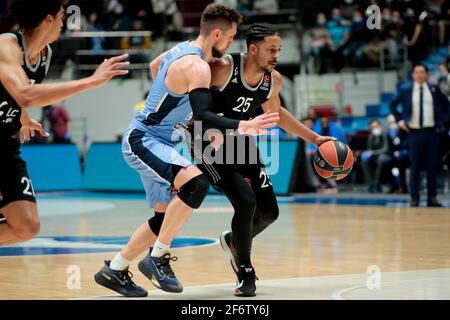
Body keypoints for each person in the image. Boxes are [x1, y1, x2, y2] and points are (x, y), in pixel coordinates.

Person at [94, 4, 279, 298]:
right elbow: (204, 115)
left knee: (162, 219)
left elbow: (156, 68)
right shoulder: (197, 66)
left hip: (159, 140)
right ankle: (158, 257)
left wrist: (173, 108)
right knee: (196, 184)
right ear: (217, 33)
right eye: (230, 38)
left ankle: (114, 269)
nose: (232, 44)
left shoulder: (180, 50)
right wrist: (243, 125)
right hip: (144, 138)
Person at [188, 24, 335, 296]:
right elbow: (193, 98)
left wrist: (315, 139)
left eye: (279, 49)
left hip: (241, 141)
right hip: (207, 143)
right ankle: (246, 272)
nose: (276, 55)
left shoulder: (272, 80)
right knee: (246, 201)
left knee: (270, 212)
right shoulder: (221, 68)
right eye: (271, 49)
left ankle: (233, 242)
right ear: (252, 49)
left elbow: (276, 115)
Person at [0, 0, 129, 245]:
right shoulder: (6, 46)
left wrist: (23, 117)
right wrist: (90, 82)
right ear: (48, 20)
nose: (64, 23)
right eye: (61, 17)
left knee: (27, 226)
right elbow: (24, 93)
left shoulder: (44, 54)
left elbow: (20, 93)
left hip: (5, 144)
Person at [389, 63, 450, 207]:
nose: (420, 74)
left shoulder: (434, 89)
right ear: (413, 74)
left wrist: (441, 123)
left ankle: (432, 198)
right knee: (415, 166)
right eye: (417, 72)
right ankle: (414, 198)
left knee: (432, 166)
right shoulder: (406, 90)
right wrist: (400, 120)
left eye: (423, 72)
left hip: (431, 132)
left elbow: (447, 106)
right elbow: (392, 105)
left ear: (427, 74)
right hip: (414, 133)